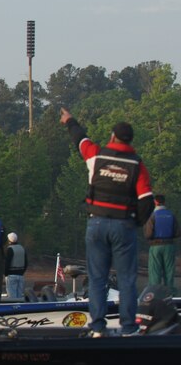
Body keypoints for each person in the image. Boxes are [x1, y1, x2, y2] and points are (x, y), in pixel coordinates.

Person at [61, 108, 154, 336]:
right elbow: (147, 200)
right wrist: (136, 222)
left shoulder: (96, 156)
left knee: (97, 279)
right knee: (127, 280)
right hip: (124, 226)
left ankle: (98, 327)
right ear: (130, 141)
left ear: (112, 136)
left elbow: (80, 139)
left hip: (97, 224)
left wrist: (69, 120)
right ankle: (129, 328)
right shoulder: (137, 165)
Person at [144, 194, 177, 294]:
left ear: (155, 202)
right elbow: (178, 232)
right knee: (169, 271)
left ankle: (155, 294)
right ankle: (170, 294)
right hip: (169, 246)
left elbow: (148, 234)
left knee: (155, 272)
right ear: (164, 202)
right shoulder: (171, 215)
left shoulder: (153, 215)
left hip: (155, 246)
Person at [4, 232, 28, 301]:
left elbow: (7, 263)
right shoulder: (22, 248)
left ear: (9, 240)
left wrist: (5, 273)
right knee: (20, 297)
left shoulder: (10, 249)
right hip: (21, 275)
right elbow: (26, 262)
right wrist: (22, 271)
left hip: (11, 275)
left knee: (12, 298)